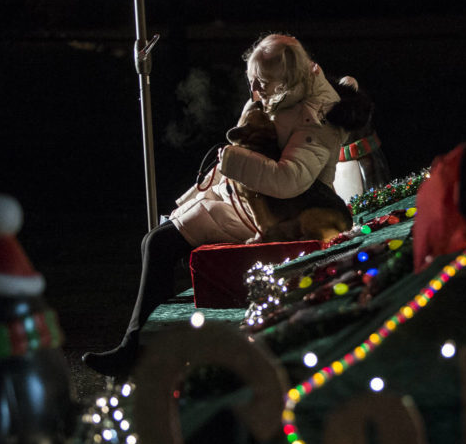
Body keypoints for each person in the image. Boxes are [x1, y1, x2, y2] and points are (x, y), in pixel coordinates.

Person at [83, 34, 347, 377]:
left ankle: (139, 351)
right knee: (158, 240)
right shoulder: (281, 94)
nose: (254, 87)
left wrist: (234, 161)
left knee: (159, 244)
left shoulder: (316, 113)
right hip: (250, 201)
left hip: (282, 216)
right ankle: (144, 347)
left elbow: (290, 181)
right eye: (251, 78)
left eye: (262, 81)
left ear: (288, 76)